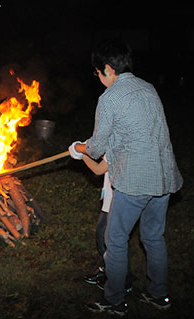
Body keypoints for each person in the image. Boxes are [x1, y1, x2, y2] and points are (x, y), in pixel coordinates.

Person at [70, 39, 183, 316]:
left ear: (107, 68)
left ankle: (114, 300)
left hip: (135, 181)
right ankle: (159, 294)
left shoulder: (110, 98)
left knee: (115, 239)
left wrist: (77, 149)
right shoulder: (148, 87)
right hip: (163, 176)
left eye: (97, 72)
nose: (97, 77)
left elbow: (95, 149)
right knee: (154, 238)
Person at [68, 149, 135, 292]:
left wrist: (82, 154)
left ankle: (124, 279)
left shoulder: (120, 141)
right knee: (102, 236)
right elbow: (104, 155)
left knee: (112, 239)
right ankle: (105, 270)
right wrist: (87, 148)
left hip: (119, 195)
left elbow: (98, 169)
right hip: (110, 193)